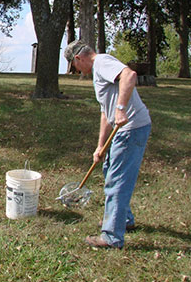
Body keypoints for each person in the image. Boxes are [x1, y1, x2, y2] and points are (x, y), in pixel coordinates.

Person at [64, 40, 151, 249]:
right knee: (109, 170)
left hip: (131, 129)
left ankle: (112, 237)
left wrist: (121, 108)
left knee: (117, 181)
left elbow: (130, 75)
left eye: (75, 68)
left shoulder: (101, 62)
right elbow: (105, 111)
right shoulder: (98, 72)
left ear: (78, 58)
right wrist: (100, 146)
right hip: (121, 130)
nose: (78, 72)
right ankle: (124, 219)